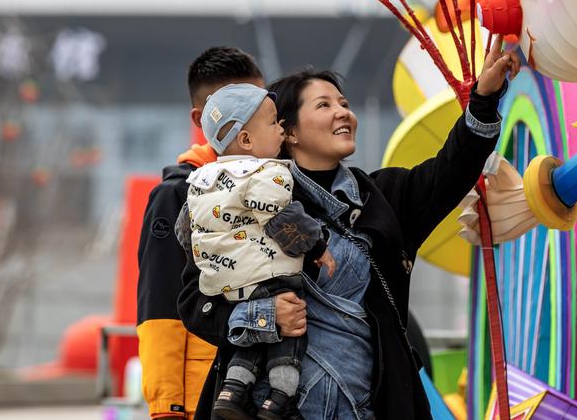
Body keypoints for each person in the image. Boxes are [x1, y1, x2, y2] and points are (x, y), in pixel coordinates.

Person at [178, 38, 521, 419]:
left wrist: (485, 98)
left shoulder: (383, 198)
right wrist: (264, 316)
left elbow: (451, 170)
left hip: (365, 406)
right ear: (286, 131)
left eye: (344, 103)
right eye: (324, 105)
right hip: (267, 408)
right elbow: (196, 302)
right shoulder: (243, 200)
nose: (343, 113)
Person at [137, 47, 308, 419]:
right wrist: (168, 407)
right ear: (203, 119)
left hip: (266, 383)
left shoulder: (274, 182)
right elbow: (159, 304)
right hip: (204, 388)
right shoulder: (180, 193)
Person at [184, 83, 336, 420]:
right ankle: (279, 400)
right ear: (247, 141)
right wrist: (317, 246)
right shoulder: (267, 173)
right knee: (290, 336)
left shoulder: (201, 178)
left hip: (227, 283)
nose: (281, 128)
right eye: (273, 123)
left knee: (251, 341)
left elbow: (188, 232)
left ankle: (231, 392)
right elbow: (283, 218)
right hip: (269, 273)